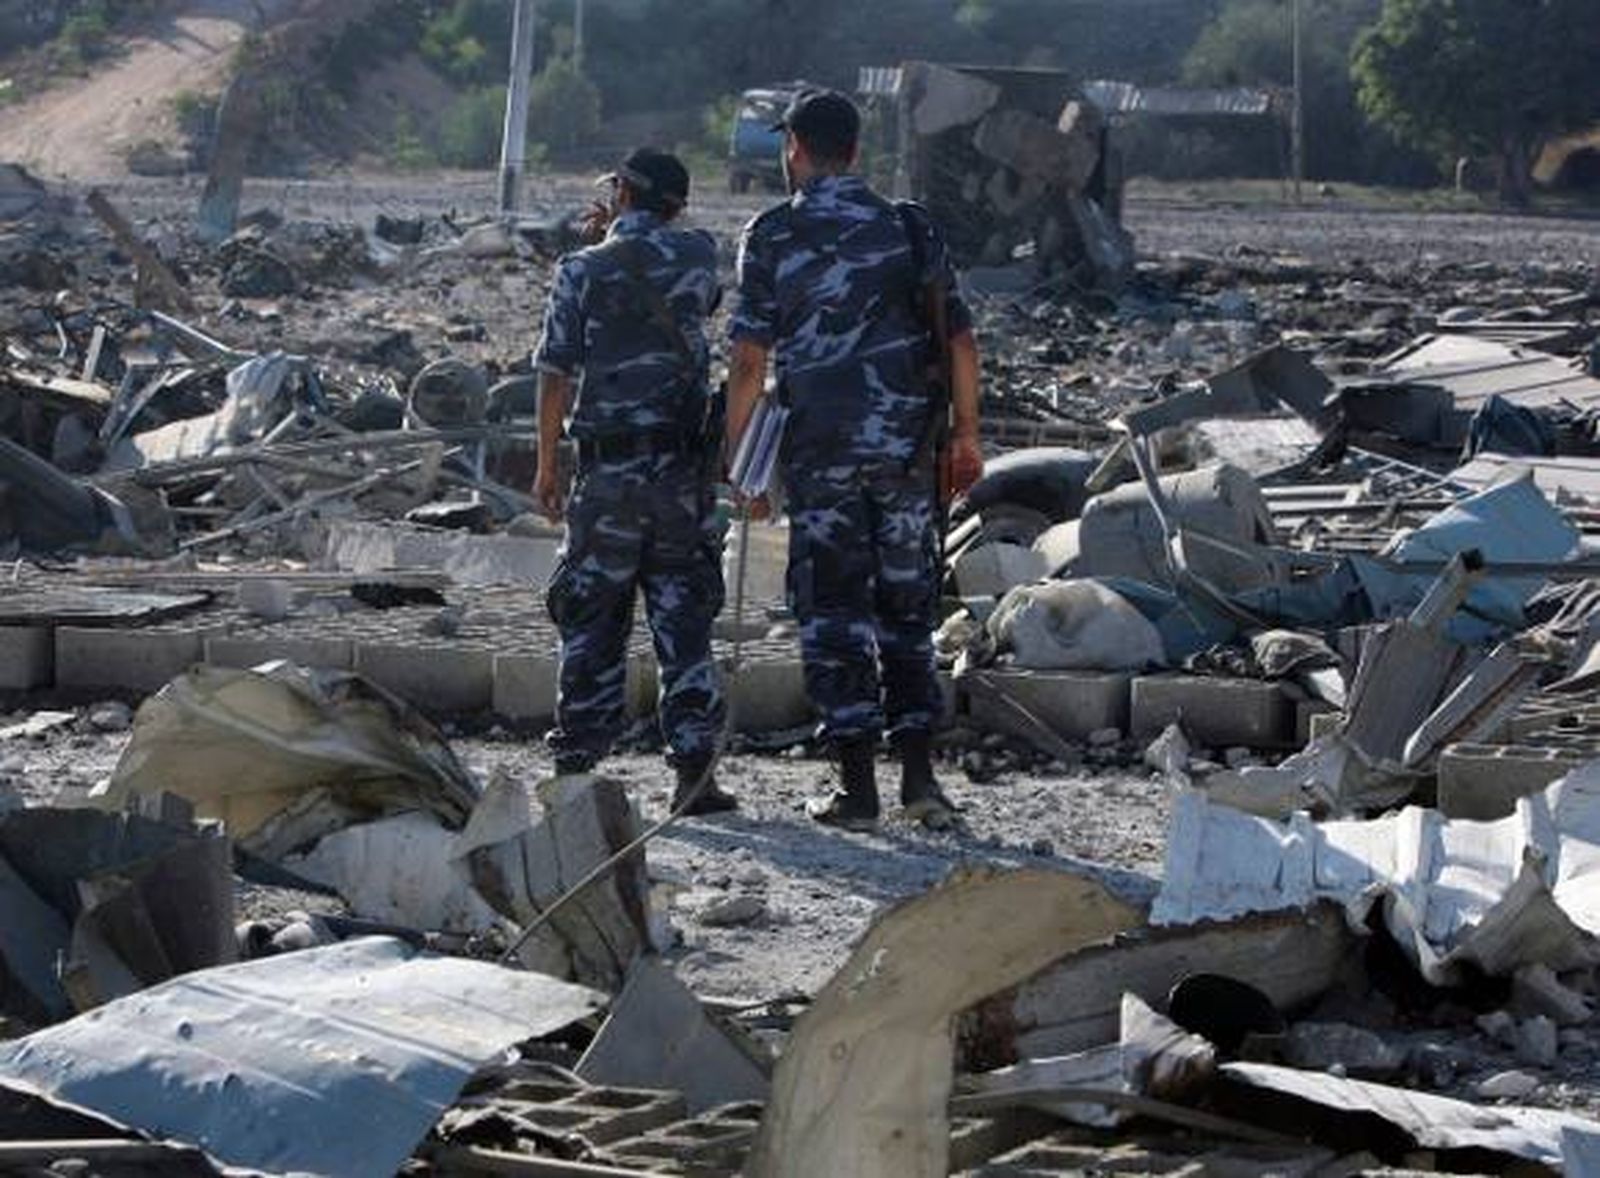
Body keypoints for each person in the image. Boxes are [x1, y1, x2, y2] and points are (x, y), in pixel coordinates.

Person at [726, 90, 984, 831]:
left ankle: (856, 787)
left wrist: (738, 463)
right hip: (908, 453)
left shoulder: (773, 233)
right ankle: (922, 781)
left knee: (833, 611)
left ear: (795, 150)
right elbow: (960, 341)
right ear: (858, 152)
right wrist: (966, 435)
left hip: (822, 455)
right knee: (908, 609)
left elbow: (750, 361)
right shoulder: (909, 226)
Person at [533, 147, 736, 815]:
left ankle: (576, 772)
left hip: (609, 475)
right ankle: (694, 776)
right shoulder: (699, 255)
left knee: (592, 618)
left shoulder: (579, 270)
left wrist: (544, 464)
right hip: (682, 478)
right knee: (684, 621)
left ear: (621, 193)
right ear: (677, 203)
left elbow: (555, 373)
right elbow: (695, 297)